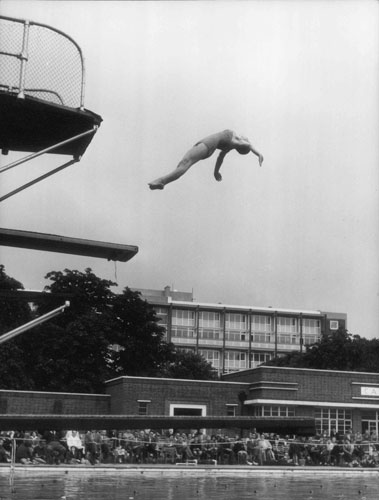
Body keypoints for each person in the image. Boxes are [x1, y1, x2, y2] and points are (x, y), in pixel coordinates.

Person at [148, 129, 264, 189]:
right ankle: (162, 182)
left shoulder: (235, 139)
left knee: (185, 163)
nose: (245, 137)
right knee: (184, 164)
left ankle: (162, 181)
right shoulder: (229, 147)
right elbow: (220, 158)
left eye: (246, 139)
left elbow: (249, 145)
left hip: (209, 144)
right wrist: (216, 172)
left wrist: (258, 153)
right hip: (209, 147)